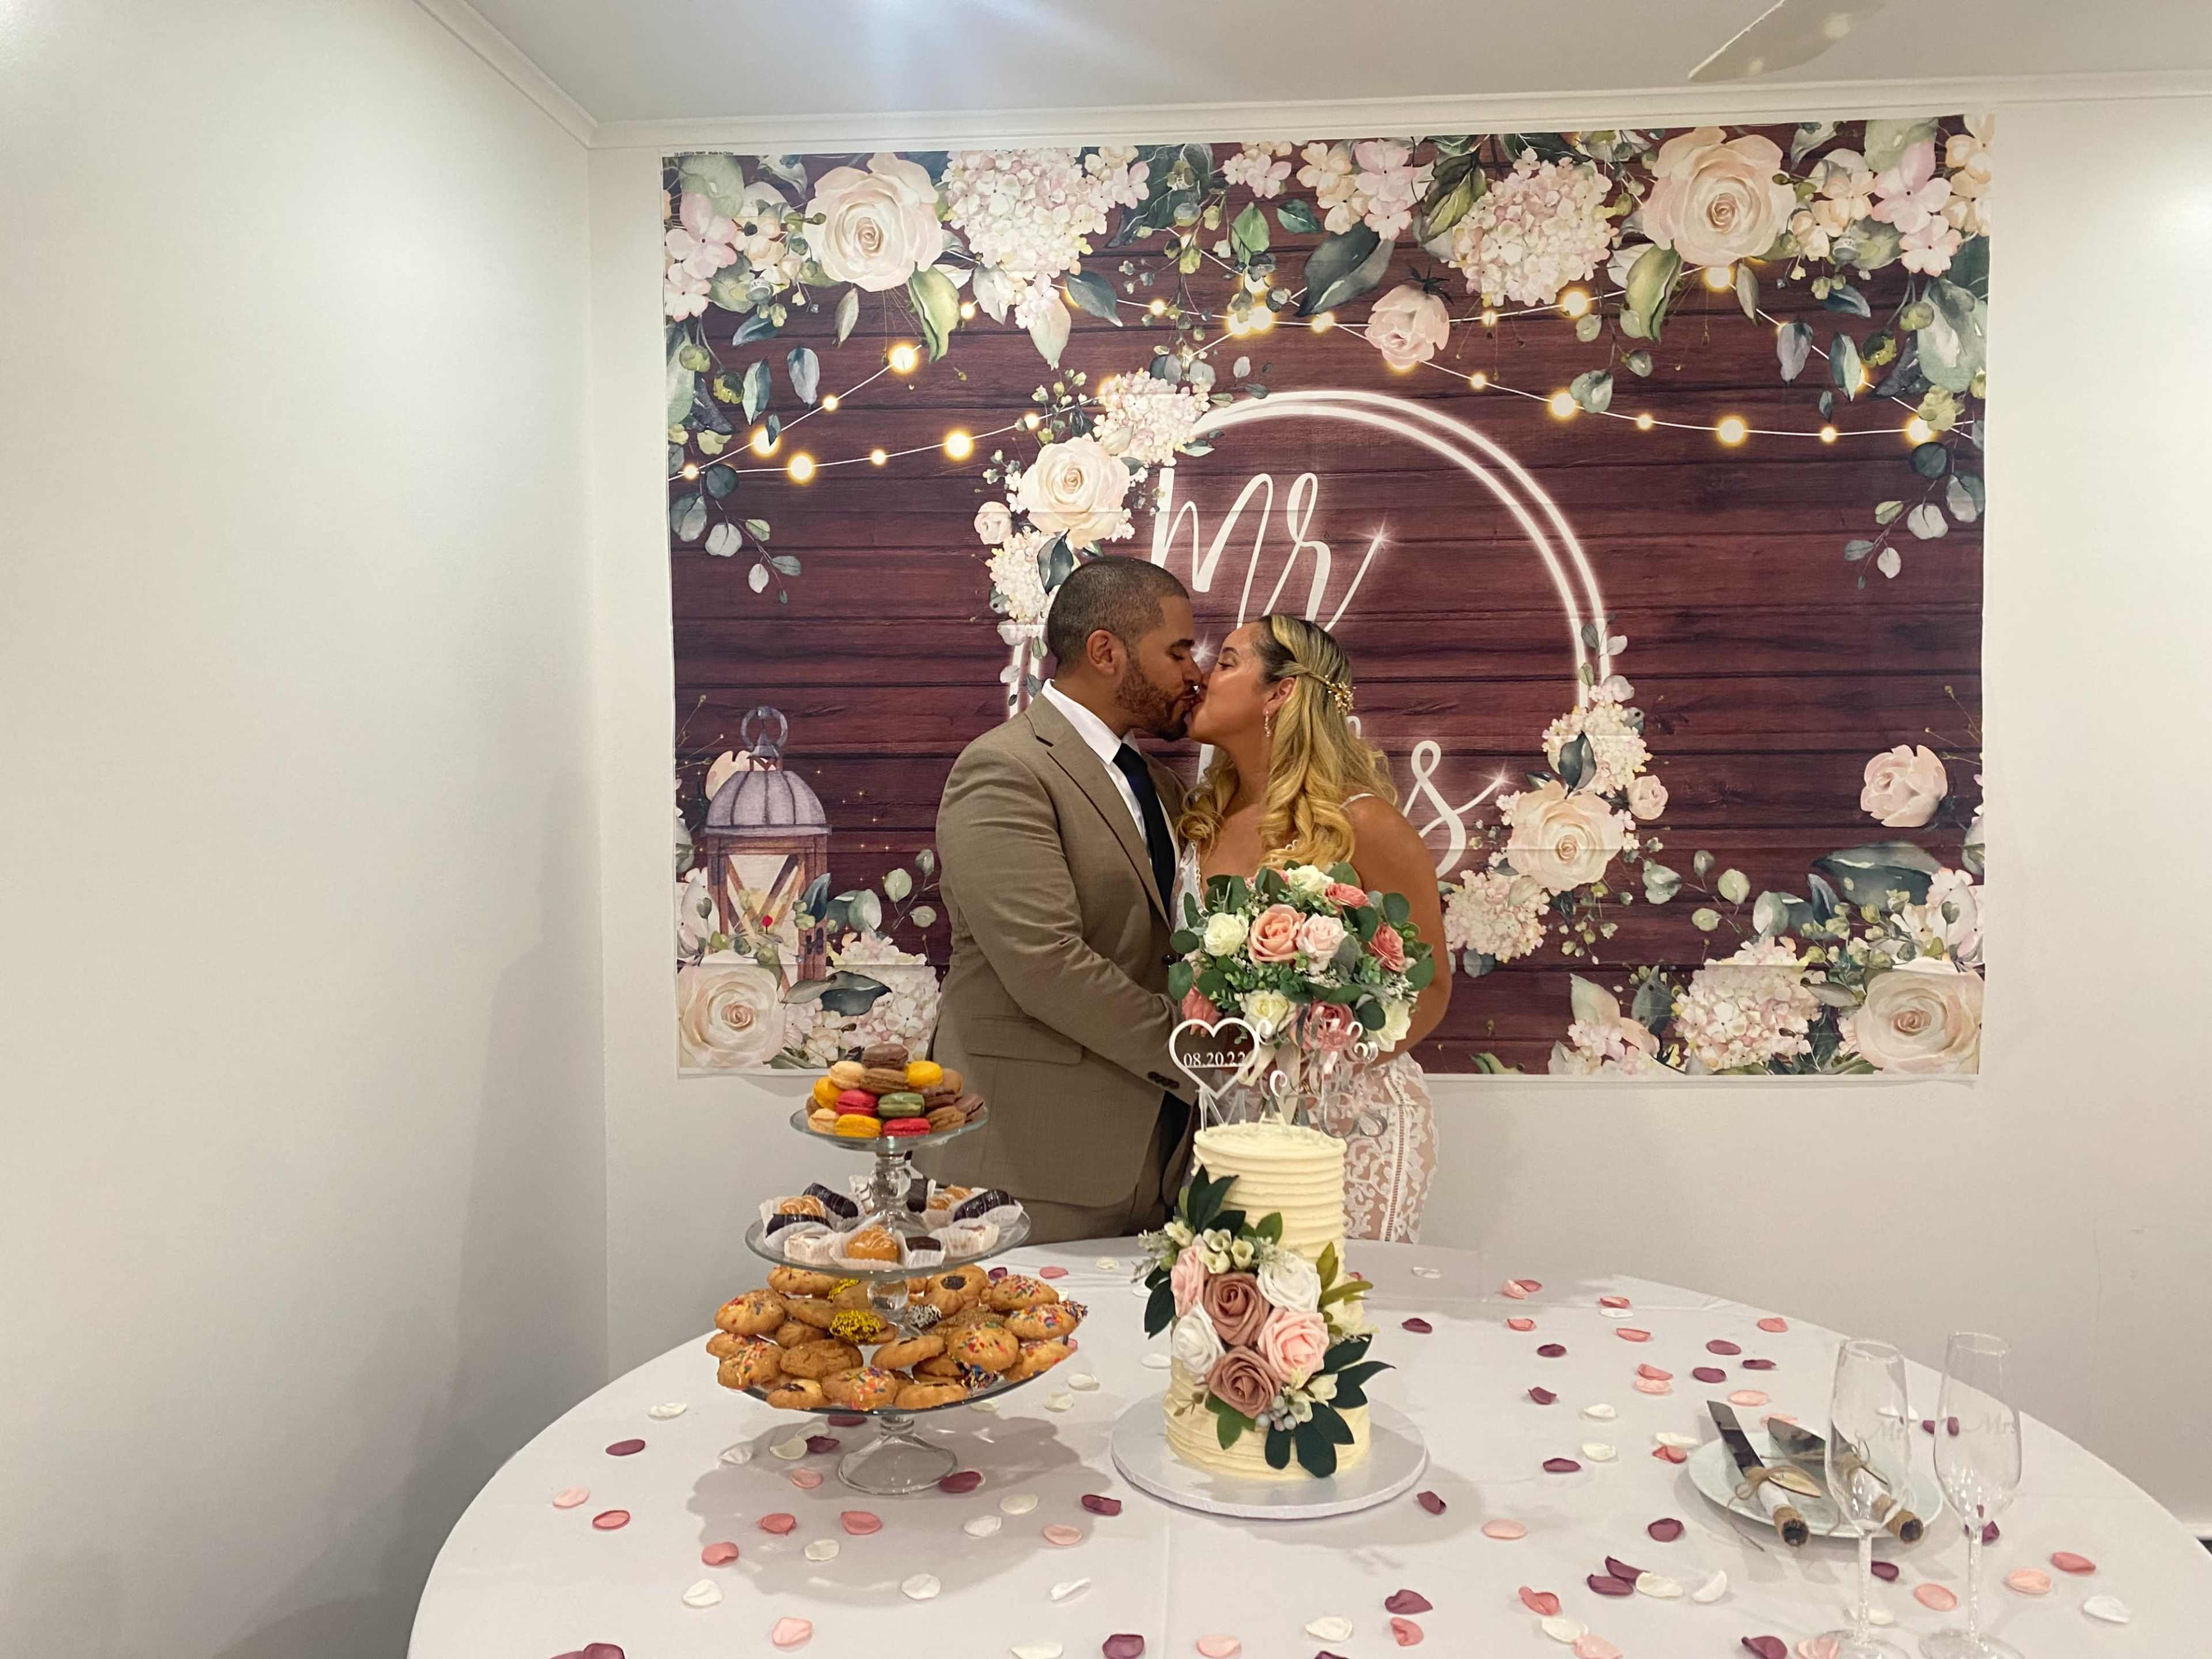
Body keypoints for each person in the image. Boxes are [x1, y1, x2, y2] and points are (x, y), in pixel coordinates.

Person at [931, 556, 1204, 1244]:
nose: (1193, 672)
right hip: (1035, 1162)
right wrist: (1196, 1054)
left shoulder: (1163, 788)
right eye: (1177, 651)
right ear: (1106, 651)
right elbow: (1043, 963)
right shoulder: (1006, 768)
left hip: (1162, 1159)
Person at [1177, 613, 1450, 1241]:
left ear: (1281, 692)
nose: (1201, 676)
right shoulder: (1200, 819)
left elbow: (1430, 991)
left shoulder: (1365, 824)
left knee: (1346, 1316)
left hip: (1355, 1123)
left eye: (1226, 662)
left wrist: (1318, 1071)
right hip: (1230, 1123)